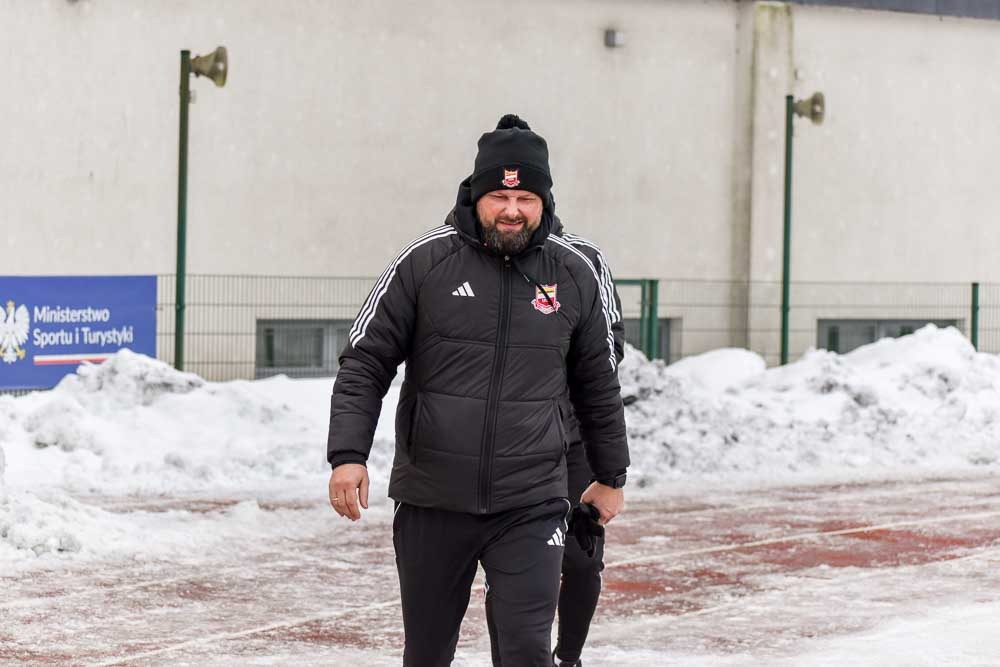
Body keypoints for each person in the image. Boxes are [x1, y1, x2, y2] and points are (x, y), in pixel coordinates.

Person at [326, 114, 629, 666]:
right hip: (433, 500)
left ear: (544, 202)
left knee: (524, 652)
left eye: (526, 198)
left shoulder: (575, 273)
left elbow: (597, 385)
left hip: (531, 500)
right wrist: (349, 455)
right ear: (476, 195)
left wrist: (611, 475)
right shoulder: (423, 263)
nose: (512, 210)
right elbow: (365, 362)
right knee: (427, 654)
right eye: (499, 196)